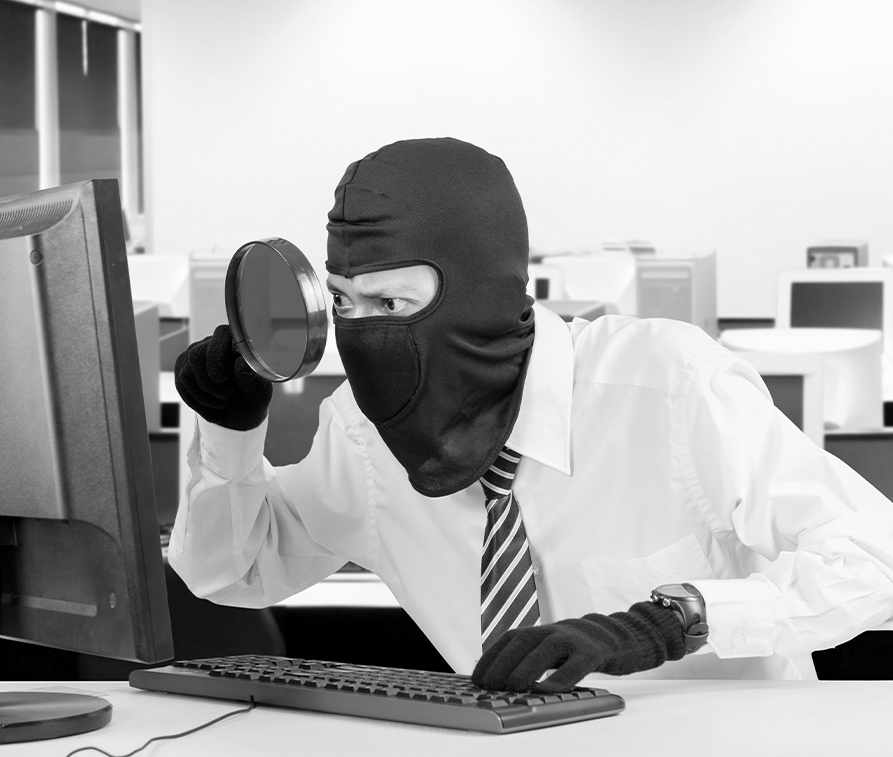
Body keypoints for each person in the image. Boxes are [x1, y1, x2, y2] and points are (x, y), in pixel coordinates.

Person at [172, 136, 893, 692]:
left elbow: (874, 557)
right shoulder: (363, 434)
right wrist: (228, 434)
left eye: (391, 304)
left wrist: (675, 619)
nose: (363, 334)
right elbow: (235, 574)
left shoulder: (665, 384)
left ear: (484, 292)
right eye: (344, 304)